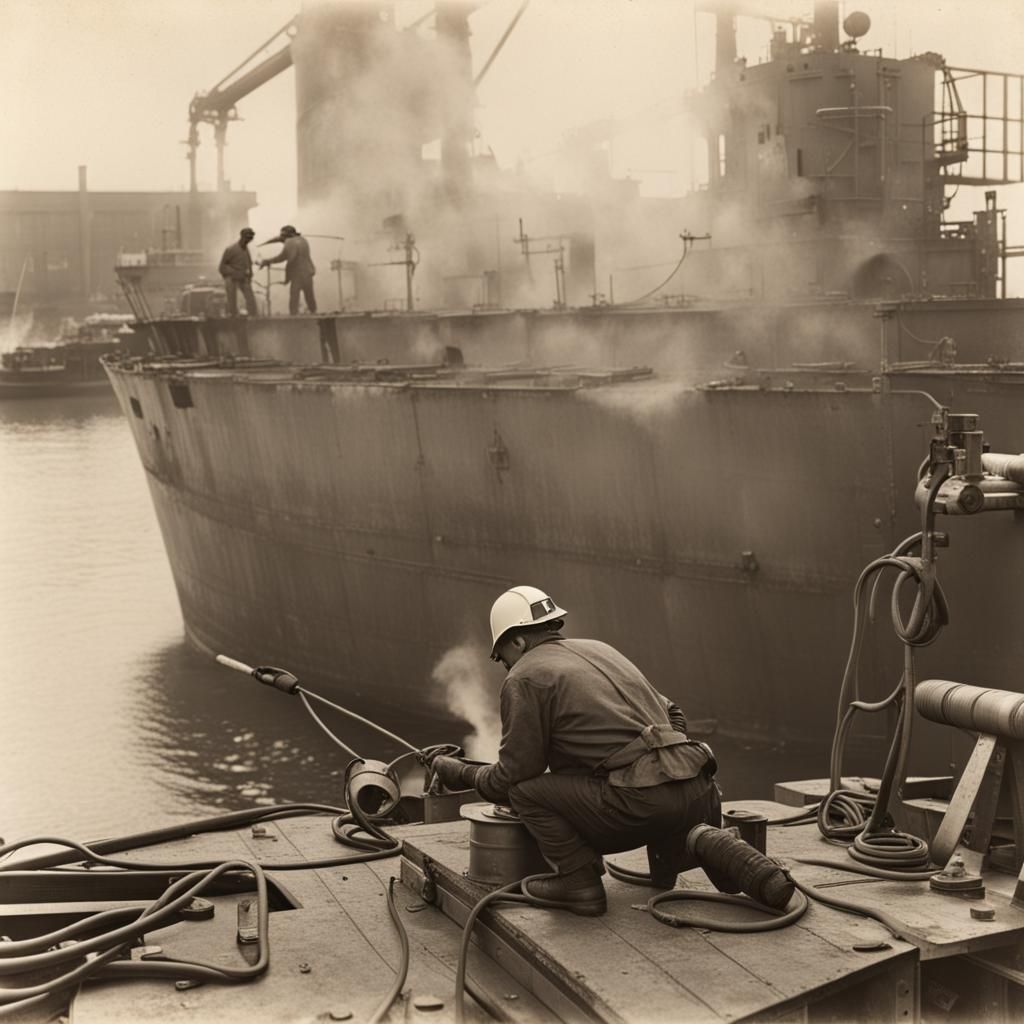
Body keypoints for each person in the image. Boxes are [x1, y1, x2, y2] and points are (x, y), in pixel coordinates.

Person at [427, 585, 721, 916]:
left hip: (642, 810)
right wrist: (658, 765)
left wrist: (459, 771)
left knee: (526, 793)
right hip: (697, 795)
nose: (505, 667)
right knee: (604, 778)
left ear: (518, 642)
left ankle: (579, 884)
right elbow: (673, 715)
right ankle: (671, 864)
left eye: (501, 657)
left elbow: (513, 778)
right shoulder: (601, 650)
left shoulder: (524, 677)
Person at [258, 225, 316, 315]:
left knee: (294, 298)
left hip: (298, 274)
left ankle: (293, 318)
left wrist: (267, 261)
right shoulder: (303, 240)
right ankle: (314, 314)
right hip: (308, 272)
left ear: (287, 235)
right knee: (309, 296)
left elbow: (285, 257)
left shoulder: (289, 242)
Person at [218, 228, 258, 317]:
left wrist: (250, 274)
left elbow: (248, 263)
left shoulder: (246, 249)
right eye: (247, 238)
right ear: (242, 237)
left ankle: (254, 317)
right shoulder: (231, 249)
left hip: (243, 278)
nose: (249, 240)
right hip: (232, 278)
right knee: (232, 300)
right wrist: (234, 272)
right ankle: (233, 318)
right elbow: (222, 267)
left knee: (250, 299)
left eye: (250, 238)